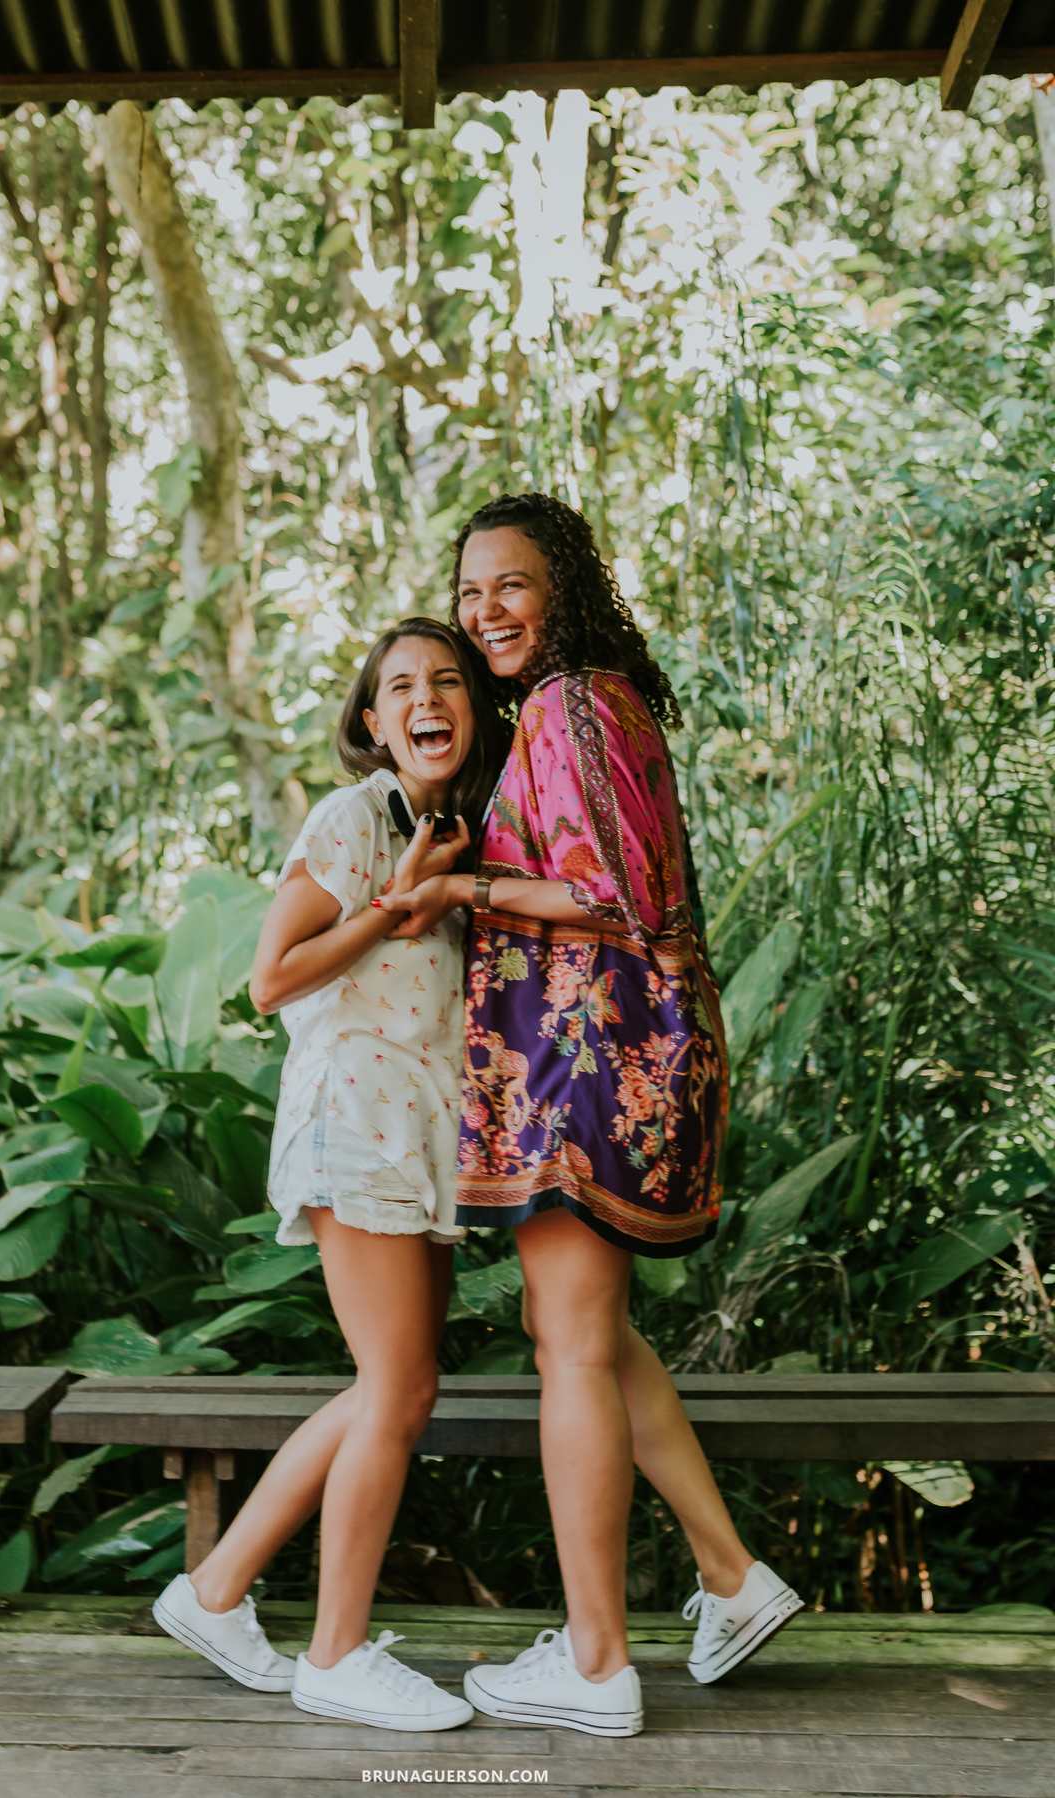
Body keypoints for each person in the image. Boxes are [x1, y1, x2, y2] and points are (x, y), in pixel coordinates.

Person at [379, 494, 802, 1738]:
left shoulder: (571, 703)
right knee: (589, 1333)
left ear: (560, 586)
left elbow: (612, 893)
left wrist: (465, 884)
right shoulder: (593, 703)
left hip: (592, 1053)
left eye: (509, 584)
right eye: (469, 593)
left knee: (567, 1347)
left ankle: (599, 1659)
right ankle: (732, 1575)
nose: (485, 611)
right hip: (619, 1051)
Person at [154, 618, 508, 1733]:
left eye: (447, 680)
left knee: (392, 1387)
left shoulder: (456, 831)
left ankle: (214, 1593)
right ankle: (335, 1653)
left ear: (475, 707)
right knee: (397, 1391)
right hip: (355, 1117)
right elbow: (271, 979)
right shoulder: (355, 817)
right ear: (371, 721)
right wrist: (396, 903)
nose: (426, 699)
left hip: (414, 1131)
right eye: (400, 687)